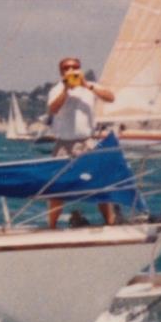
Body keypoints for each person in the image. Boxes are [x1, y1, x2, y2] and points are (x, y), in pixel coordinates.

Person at [44, 56, 119, 229]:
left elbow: (110, 97)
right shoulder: (57, 89)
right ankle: (52, 226)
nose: (71, 70)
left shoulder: (89, 87)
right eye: (66, 68)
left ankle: (110, 223)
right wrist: (66, 88)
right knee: (57, 189)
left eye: (75, 67)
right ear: (61, 71)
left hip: (88, 142)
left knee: (100, 184)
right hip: (64, 144)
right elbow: (53, 109)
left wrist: (87, 85)